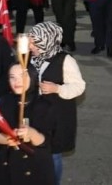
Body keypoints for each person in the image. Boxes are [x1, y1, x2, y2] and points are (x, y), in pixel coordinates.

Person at [28, 22, 86, 185]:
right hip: (35, 112)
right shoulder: (32, 58)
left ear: (47, 40)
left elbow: (79, 86)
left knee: (52, 153)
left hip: (56, 116)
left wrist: (57, 88)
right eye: (30, 41)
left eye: (35, 42)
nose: (31, 45)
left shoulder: (65, 60)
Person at [0, 63, 55, 185]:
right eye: (12, 77)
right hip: (8, 166)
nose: (17, 81)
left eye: (22, 76)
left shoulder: (45, 105)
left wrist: (32, 133)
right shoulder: (4, 102)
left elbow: (47, 142)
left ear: (32, 77)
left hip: (35, 168)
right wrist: (6, 139)